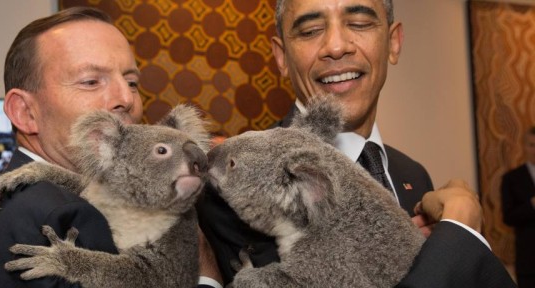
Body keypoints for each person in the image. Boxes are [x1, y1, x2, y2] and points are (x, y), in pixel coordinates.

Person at [196, 0, 516, 287]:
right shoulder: (231, 186)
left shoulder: (413, 174)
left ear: (393, 42)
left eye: (360, 24)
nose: (336, 46)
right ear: (281, 56)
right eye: (310, 30)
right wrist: (460, 234)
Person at [0, 7, 220, 288]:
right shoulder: (66, 217)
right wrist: (207, 274)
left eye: (132, 82)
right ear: (24, 112)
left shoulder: (31, 197)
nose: (125, 98)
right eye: (91, 81)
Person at [502, 126, 535, 288]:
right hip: (529, 260)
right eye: (532, 145)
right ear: (524, 147)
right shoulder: (512, 178)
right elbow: (508, 217)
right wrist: (531, 205)